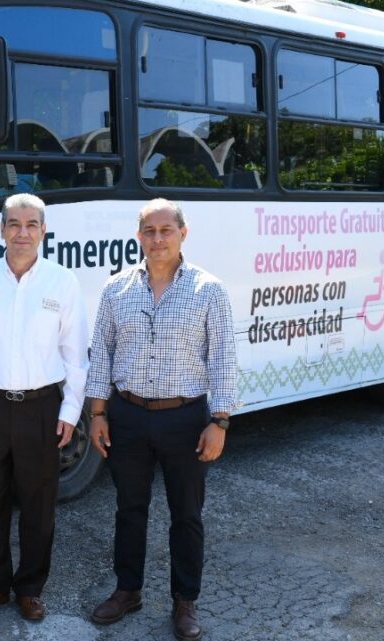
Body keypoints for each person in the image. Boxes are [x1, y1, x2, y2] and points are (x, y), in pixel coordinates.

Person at [85, 198, 237, 641]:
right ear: (139, 237)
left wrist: (220, 421)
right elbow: (102, 356)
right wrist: (97, 412)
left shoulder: (209, 290)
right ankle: (127, 590)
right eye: (149, 231)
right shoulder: (116, 289)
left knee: (186, 514)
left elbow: (223, 359)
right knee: (129, 509)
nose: (157, 239)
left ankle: (184, 602)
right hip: (127, 415)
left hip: (186, 419)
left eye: (166, 230)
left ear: (183, 234)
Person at [0, 193, 88, 622]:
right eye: (14, 224)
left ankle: (30, 588)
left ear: (44, 231)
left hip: (42, 408)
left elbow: (75, 357)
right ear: (1, 230)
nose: (22, 232)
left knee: (38, 504)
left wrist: (69, 412)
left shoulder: (61, 282)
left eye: (32, 225)